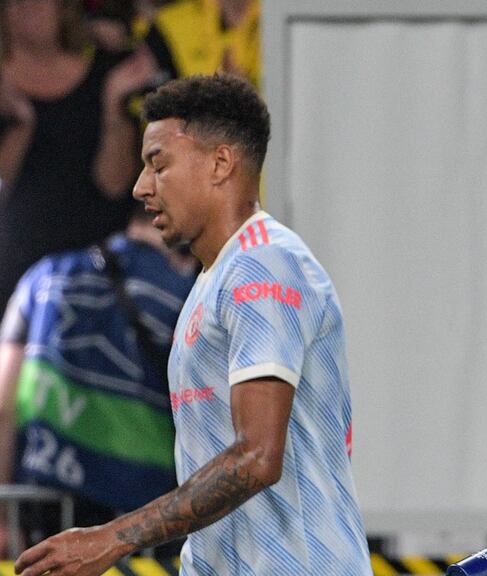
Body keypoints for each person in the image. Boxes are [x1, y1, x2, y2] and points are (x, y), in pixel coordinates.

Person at [13, 74, 372, 576]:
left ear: (221, 164)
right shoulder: (214, 279)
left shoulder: (262, 264)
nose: (140, 186)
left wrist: (113, 537)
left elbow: (257, 457)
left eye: (158, 164)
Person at [0, 204, 196, 553]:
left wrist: (2, 516)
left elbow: (2, 404)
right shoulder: (184, 298)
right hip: (140, 526)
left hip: (40, 509)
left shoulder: (44, 276)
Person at [0, 0, 159, 317]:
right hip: (15, 281)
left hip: (97, 281)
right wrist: (21, 126)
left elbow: (114, 185)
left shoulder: (106, 71)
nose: (29, 7)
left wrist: (113, 106)